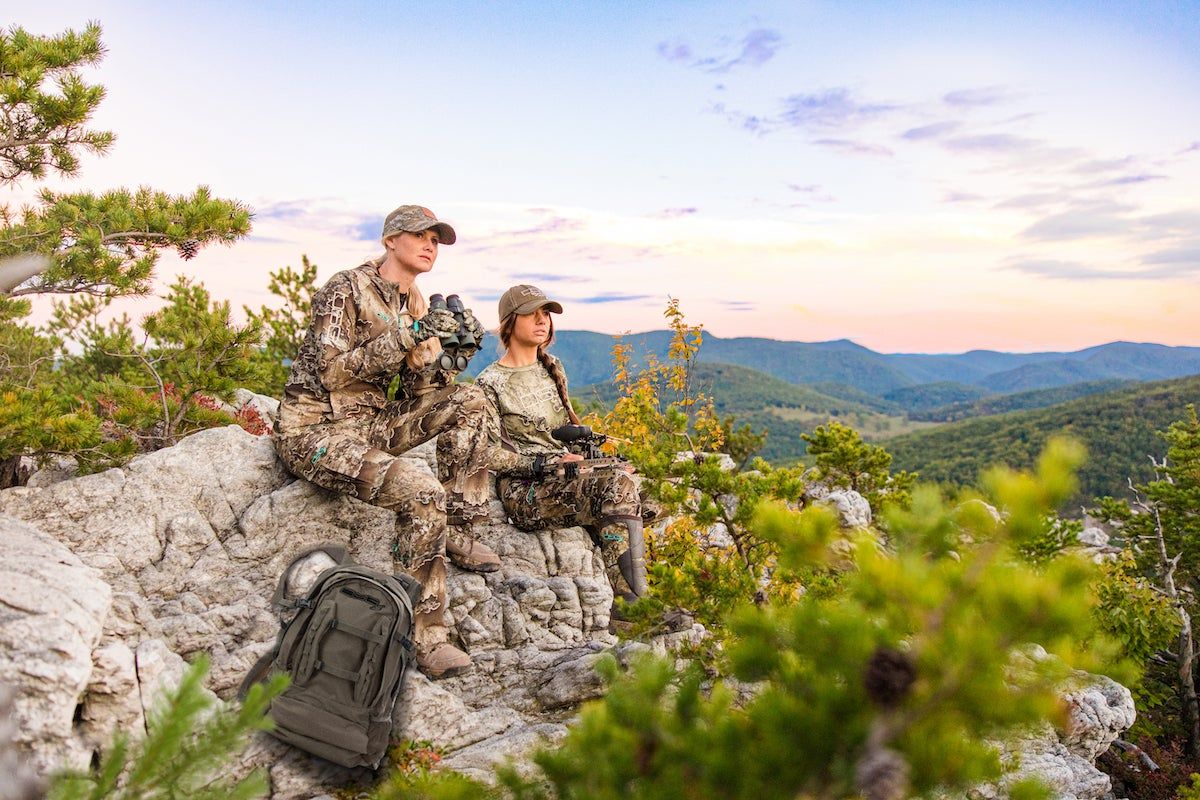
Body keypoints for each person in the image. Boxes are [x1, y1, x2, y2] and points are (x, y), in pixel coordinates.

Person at [274, 205, 520, 678]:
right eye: (421, 236)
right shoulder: (346, 287)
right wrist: (410, 335)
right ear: (391, 240)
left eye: (437, 240)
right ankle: (423, 639)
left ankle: (460, 530)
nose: (431, 246)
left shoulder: (417, 301)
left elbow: (416, 394)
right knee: (422, 492)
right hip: (315, 431)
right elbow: (331, 370)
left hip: (371, 425)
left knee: (468, 402)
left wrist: (447, 360)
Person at [475, 285, 649, 614]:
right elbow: (486, 452)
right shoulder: (489, 383)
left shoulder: (552, 367)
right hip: (527, 491)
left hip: (567, 477)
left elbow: (565, 435)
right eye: (532, 314)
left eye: (546, 314)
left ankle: (645, 593)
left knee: (651, 493)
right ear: (509, 323)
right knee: (617, 492)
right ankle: (633, 609)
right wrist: (541, 463)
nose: (543, 321)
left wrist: (600, 463)